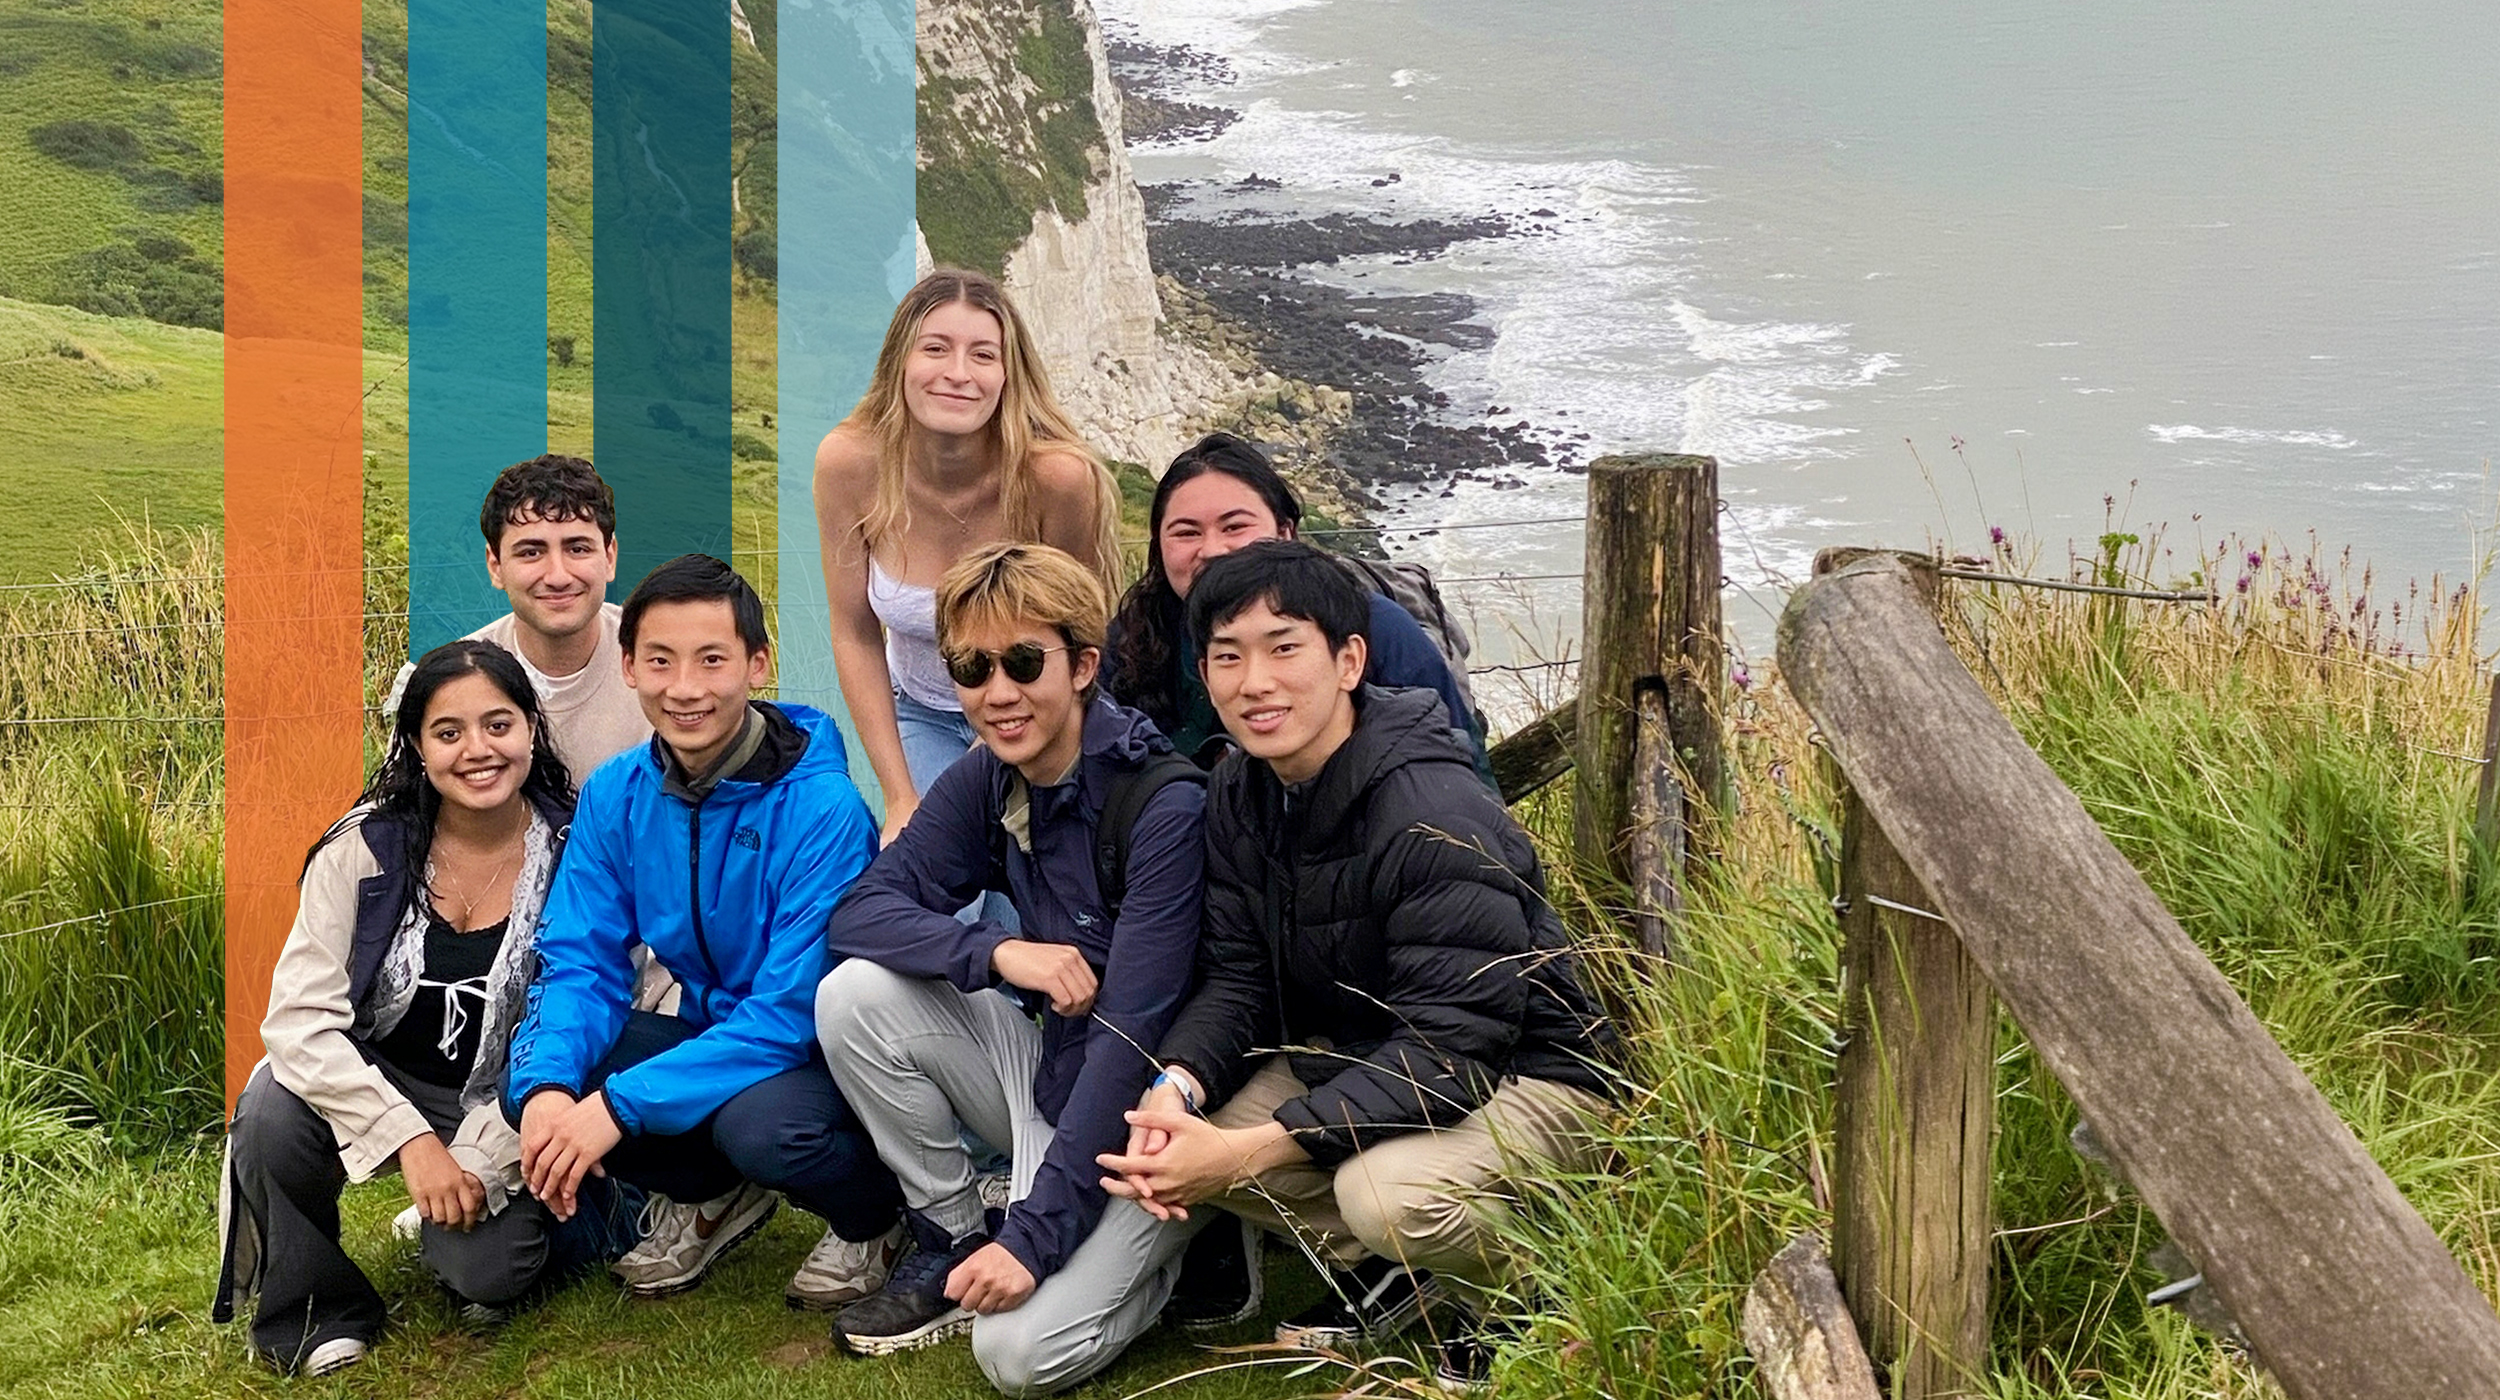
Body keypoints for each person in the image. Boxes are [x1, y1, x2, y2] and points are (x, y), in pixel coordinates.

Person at [1097, 540, 1618, 1393]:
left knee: (1389, 1196)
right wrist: (1178, 1085)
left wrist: (1258, 1151)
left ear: (1349, 661)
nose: (1254, 681)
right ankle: (1420, 1275)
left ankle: (1545, 1286)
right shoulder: (1244, 792)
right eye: (1227, 656)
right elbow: (1238, 980)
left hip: (1536, 1076)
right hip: (1373, 1056)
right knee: (1173, 1134)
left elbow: (1457, 1045)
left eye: (1284, 647)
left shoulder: (1428, 806)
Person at [814, 542, 1207, 1392]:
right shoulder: (989, 777)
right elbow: (859, 914)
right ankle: (954, 1232)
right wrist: (996, 950)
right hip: (1054, 1073)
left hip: (1148, 1112)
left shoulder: (1161, 805)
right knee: (853, 996)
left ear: (1083, 665)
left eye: (1025, 661)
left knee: (1016, 1358)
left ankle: (1173, 1260)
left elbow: (1130, 1038)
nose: (997, 692)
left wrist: (1033, 1238)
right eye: (971, 665)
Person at [502, 555, 907, 1312]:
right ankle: (717, 1197)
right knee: (539, 1079)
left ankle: (875, 1221)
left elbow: (792, 1015)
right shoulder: (617, 794)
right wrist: (552, 1090)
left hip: (824, 1064)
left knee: (767, 1128)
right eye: (660, 660)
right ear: (629, 666)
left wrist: (619, 1107)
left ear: (758, 664)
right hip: (715, 1037)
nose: (684, 689)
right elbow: (578, 962)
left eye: (712, 660)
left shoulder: (823, 809)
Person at [216, 640, 620, 1376]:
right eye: (448, 732)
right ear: (416, 745)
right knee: (273, 1101)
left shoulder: (579, 845)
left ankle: (576, 1216)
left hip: (510, 1098)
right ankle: (314, 1312)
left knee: (484, 1273)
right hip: (380, 1080)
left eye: (499, 725)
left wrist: (477, 1160)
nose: (478, 751)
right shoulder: (364, 848)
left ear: (533, 729)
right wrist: (410, 1141)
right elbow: (299, 1020)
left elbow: (606, 1006)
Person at [812, 269, 1123, 845]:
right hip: (920, 712)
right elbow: (854, 631)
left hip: (1037, 717)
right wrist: (902, 796)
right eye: (935, 349)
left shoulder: (1055, 479)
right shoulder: (849, 466)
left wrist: (988, 762)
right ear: (900, 362)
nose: (958, 374)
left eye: (983, 354)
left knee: (1022, 916)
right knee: (934, 901)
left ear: (1008, 375)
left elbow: (1083, 633)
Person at [1102, 432, 1488, 778]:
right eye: (1186, 532)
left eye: (1235, 526)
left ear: (1285, 532)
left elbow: (1463, 776)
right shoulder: (1135, 638)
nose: (1213, 549)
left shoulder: (1375, 627)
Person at [385, 455, 651, 787]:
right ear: (495, 565)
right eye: (531, 552)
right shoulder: (444, 682)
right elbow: (398, 815)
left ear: (609, 557)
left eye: (578, 549)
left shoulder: (665, 659)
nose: (558, 576)